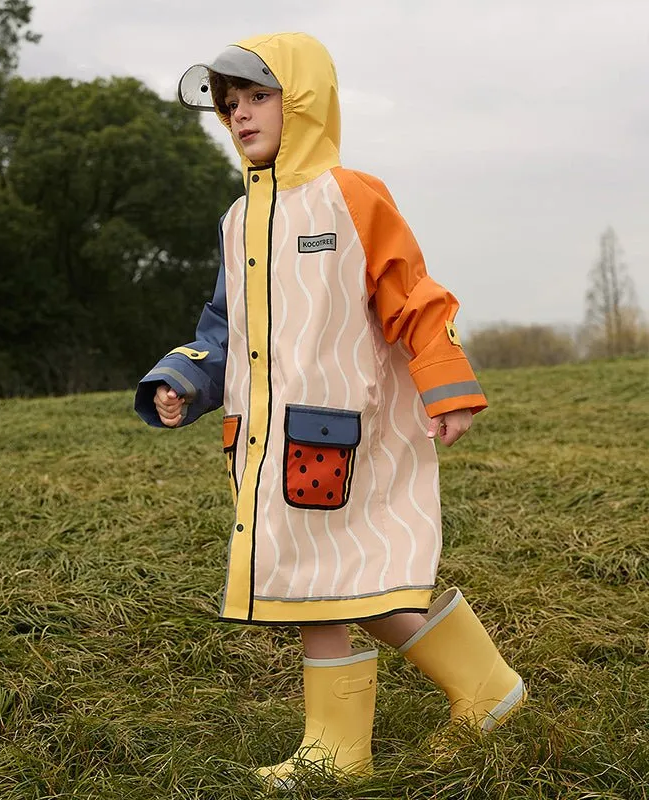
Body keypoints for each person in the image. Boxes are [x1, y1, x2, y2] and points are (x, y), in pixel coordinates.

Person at [134, 32, 525, 788]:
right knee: (344, 581)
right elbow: (224, 325)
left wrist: (446, 385)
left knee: (329, 580)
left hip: (344, 434)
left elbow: (412, 295)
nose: (240, 115)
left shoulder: (350, 196)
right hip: (267, 442)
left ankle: (343, 752)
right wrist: (182, 378)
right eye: (228, 104)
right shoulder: (237, 219)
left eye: (257, 97)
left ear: (303, 100)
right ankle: (484, 690)